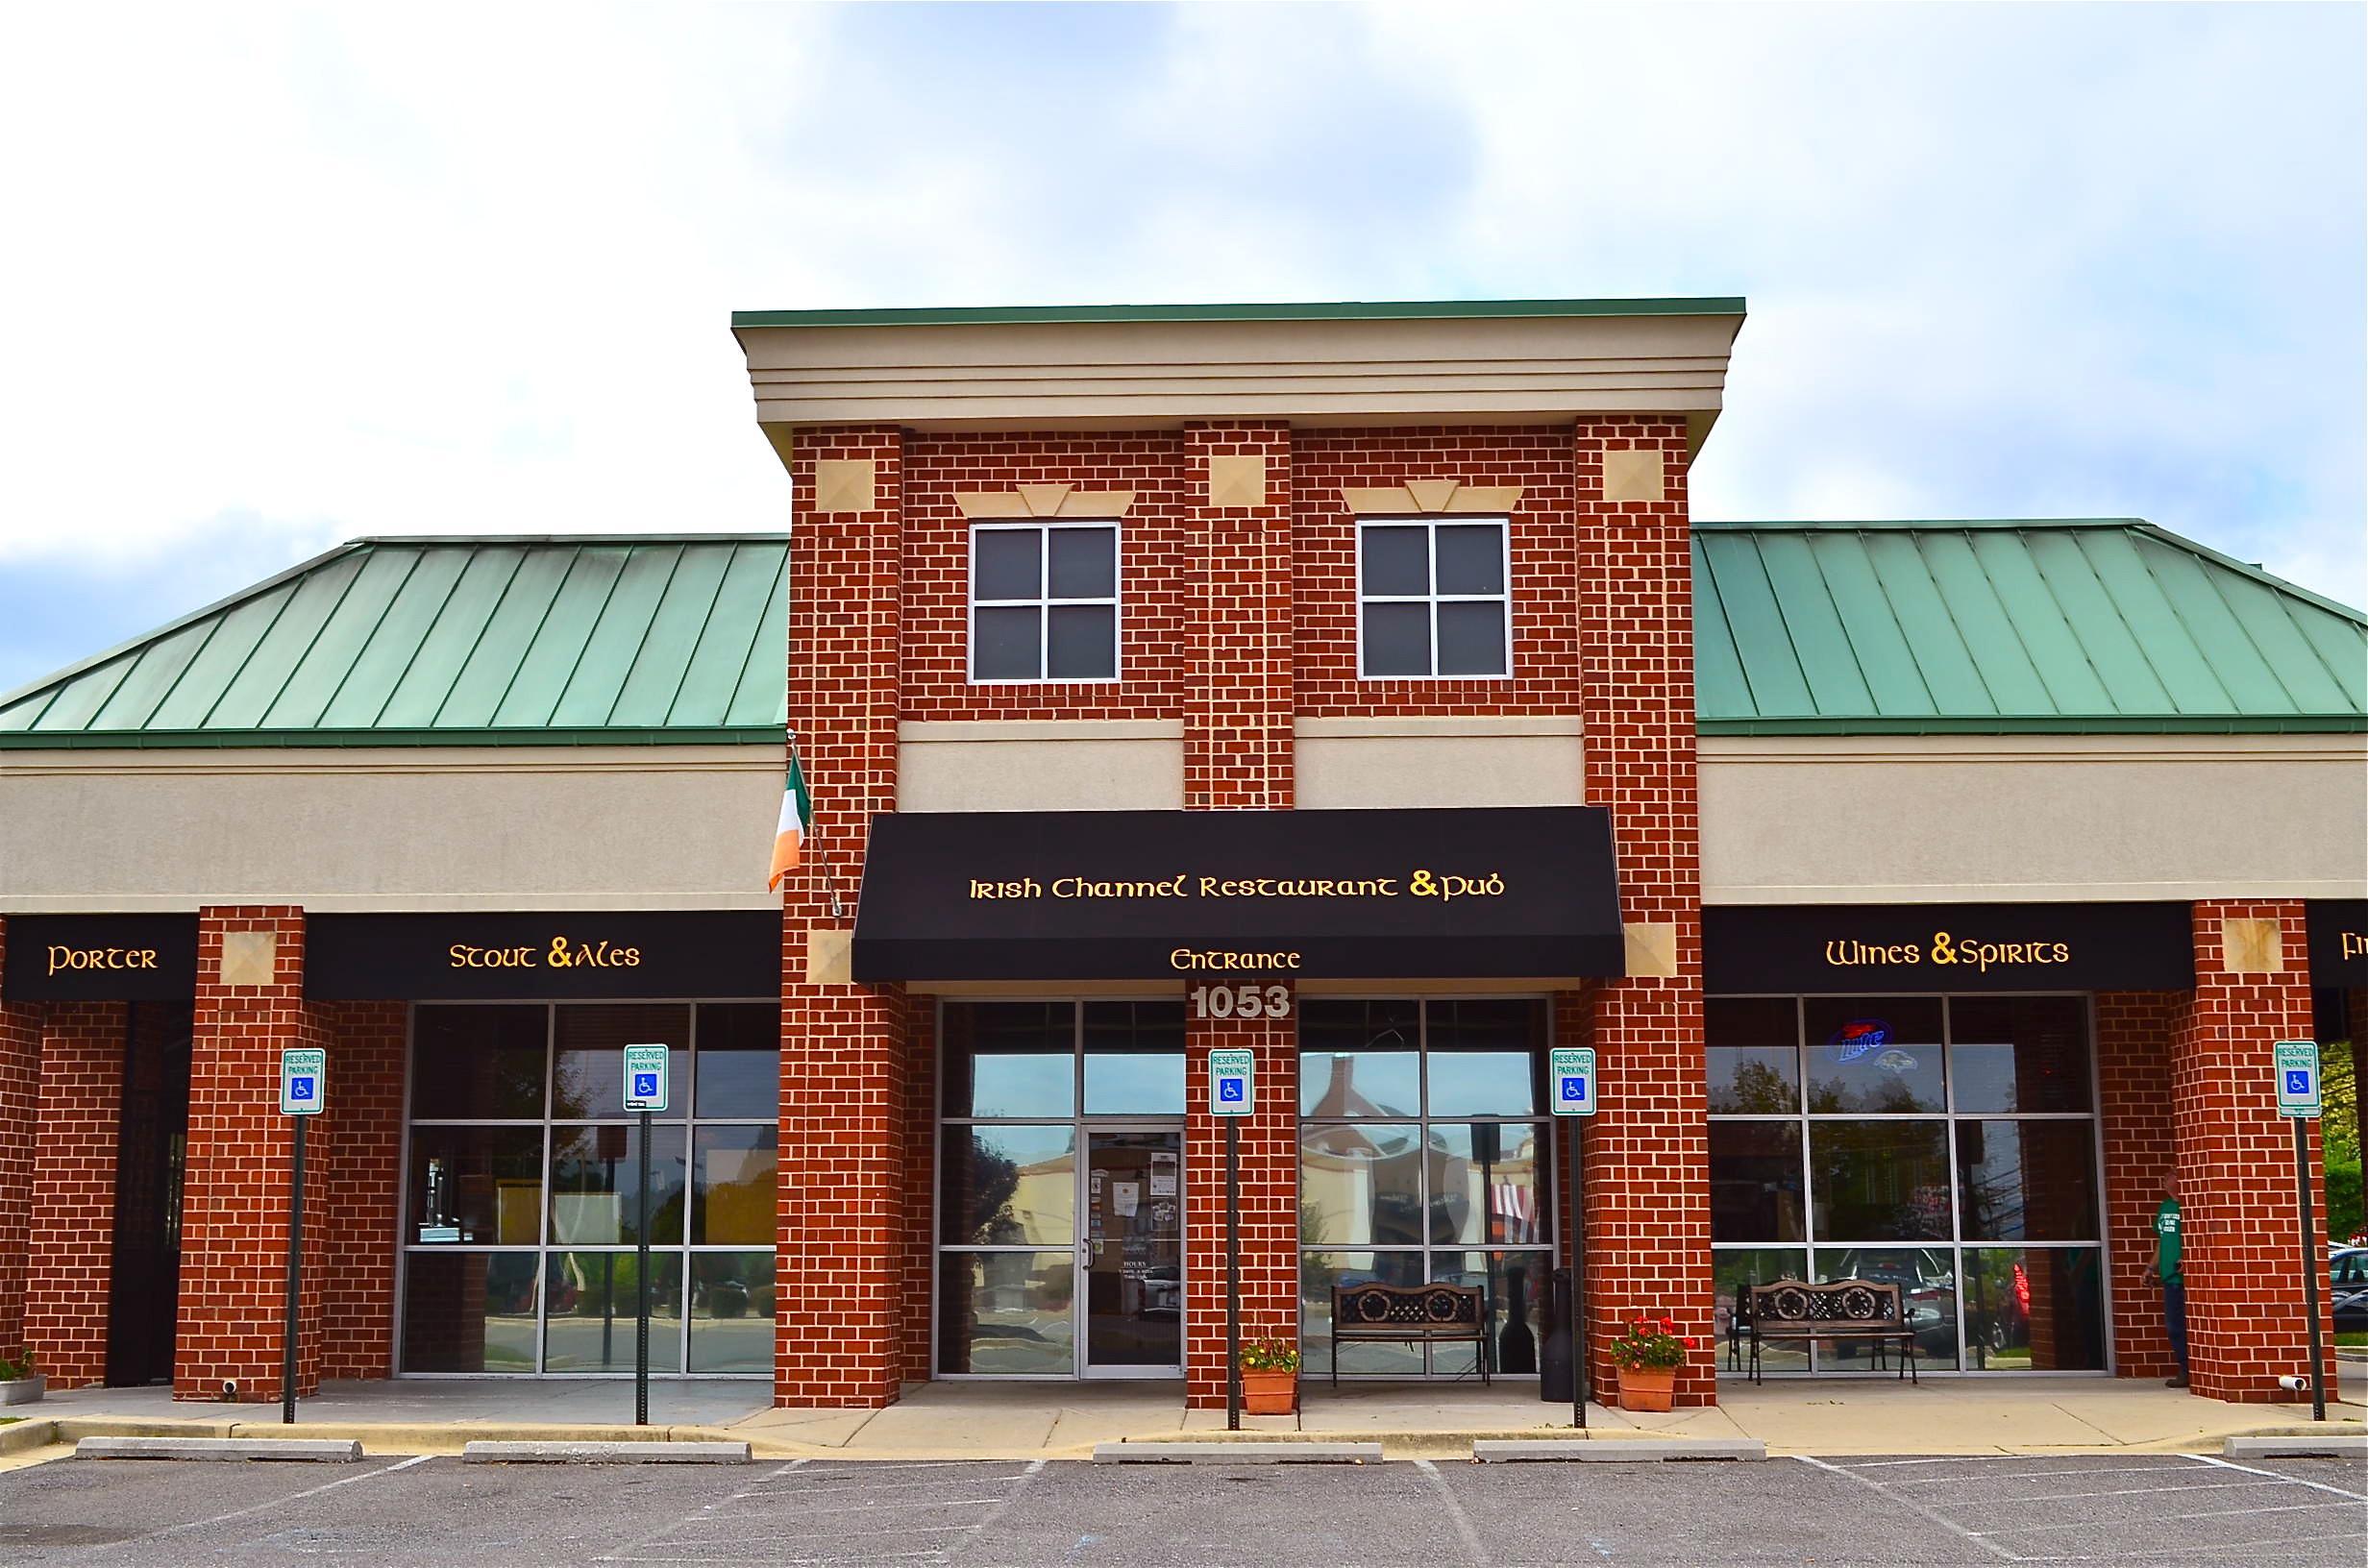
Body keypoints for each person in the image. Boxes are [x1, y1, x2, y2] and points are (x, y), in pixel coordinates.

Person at [2146, 1172, 2188, 1388]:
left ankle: (2188, 1370)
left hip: (2184, 1276)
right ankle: (2184, 1368)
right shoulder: (2165, 1208)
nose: (2166, 1181)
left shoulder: (2189, 1207)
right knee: (2173, 1325)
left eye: (2170, 1177)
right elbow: (2163, 1241)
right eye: (2165, 1178)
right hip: (2169, 1276)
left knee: (2183, 1324)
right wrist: (2151, 1267)